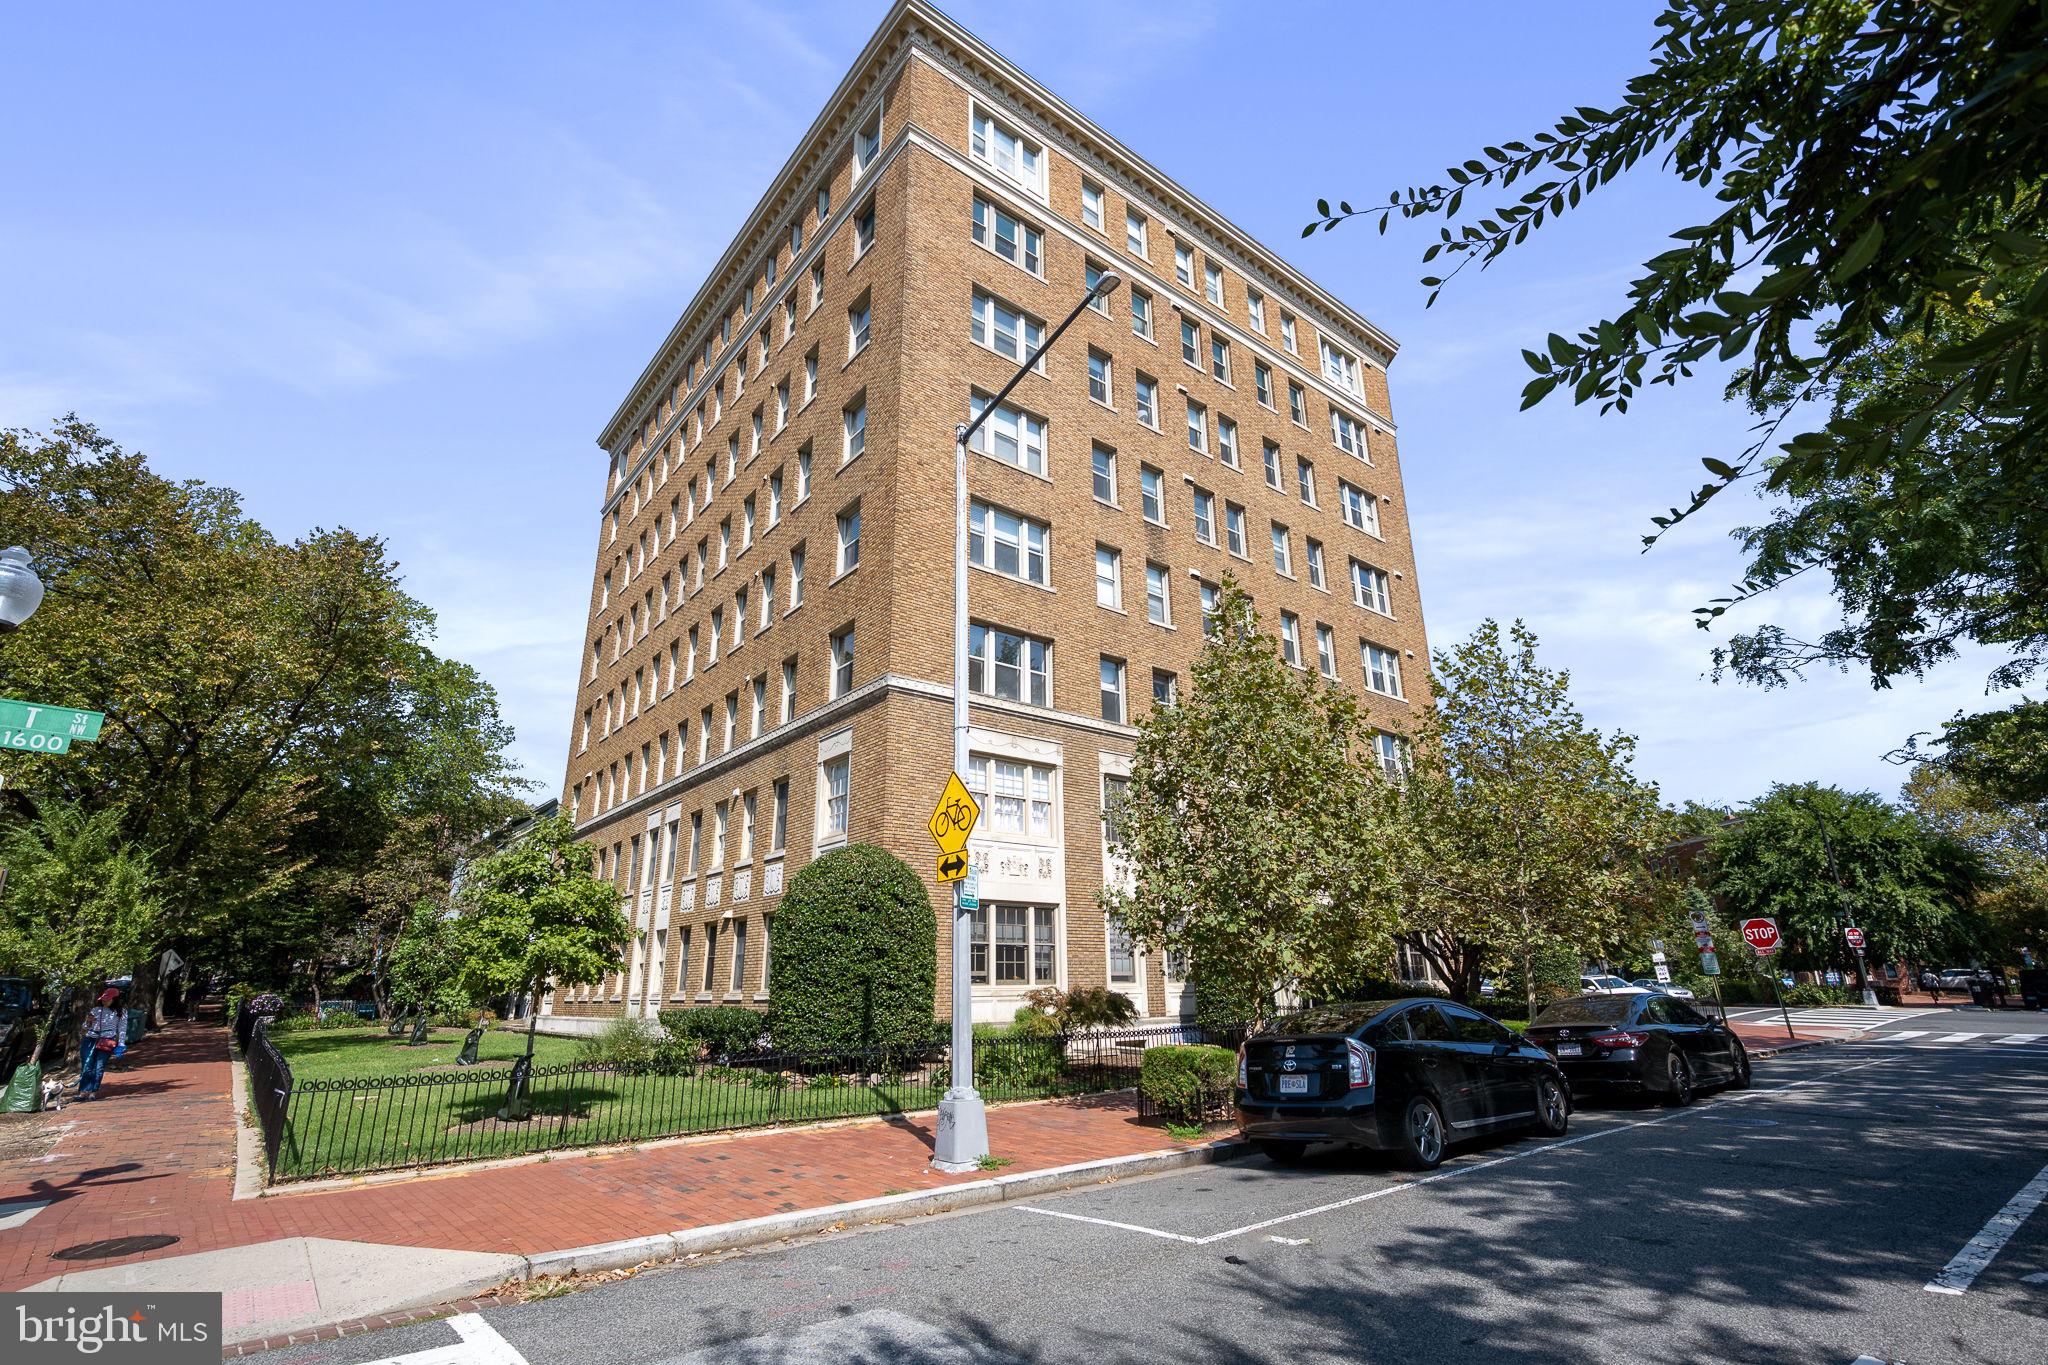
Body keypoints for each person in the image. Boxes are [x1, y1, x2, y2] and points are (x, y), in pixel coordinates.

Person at [78, 989, 123, 1100]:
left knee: (99, 1067)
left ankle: (93, 1092)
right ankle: (83, 1091)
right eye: (103, 1000)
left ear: (114, 999)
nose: (104, 1002)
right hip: (90, 1039)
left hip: (106, 1041)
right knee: (87, 1066)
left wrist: (121, 1045)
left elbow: (122, 1029)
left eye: (107, 1000)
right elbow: (85, 1027)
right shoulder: (96, 1010)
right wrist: (88, 1021)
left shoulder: (120, 1012)